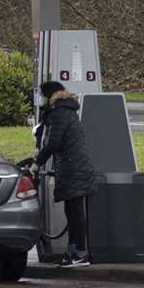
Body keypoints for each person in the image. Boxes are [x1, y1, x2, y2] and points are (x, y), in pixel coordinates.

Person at [35, 80, 96, 266]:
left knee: (75, 212)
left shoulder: (59, 113)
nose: (40, 100)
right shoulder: (66, 111)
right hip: (75, 166)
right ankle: (73, 252)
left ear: (49, 96)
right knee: (73, 212)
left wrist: (37, 164)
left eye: (42, 96)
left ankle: (79, 252)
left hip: (72, 168)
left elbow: (53, 143)